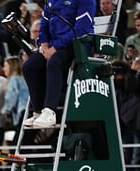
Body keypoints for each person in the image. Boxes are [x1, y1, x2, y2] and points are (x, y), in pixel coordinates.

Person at [22, 0, 96, 128]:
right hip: (53, 47)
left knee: (54, 61)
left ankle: (50, 111)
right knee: (30, 66)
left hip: (77, 45)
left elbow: (81, 29)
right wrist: (44, 44)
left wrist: (55, 47)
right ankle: (38, 111)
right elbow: (44, 25)